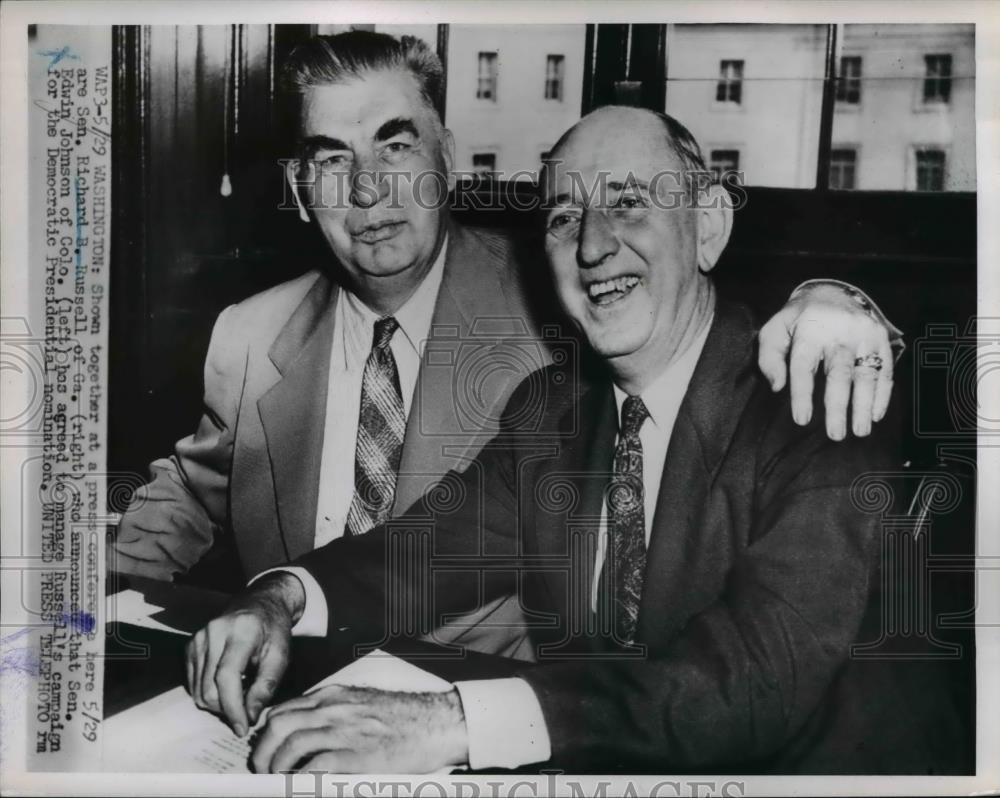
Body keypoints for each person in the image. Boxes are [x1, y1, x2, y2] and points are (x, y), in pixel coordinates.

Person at [186, 105, 967, 775]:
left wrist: (449, 723)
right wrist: (280, 598)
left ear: (709, 228)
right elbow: (423, 555)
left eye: (628, 203)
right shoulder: (556, 410)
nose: (592, 247)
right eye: (563, 216)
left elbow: (744, 688)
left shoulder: (816, 400)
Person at [115, 32, 901, 660]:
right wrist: (112, 606)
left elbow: (704, 325)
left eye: (395, 147)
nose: (366, 191)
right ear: (298, 183)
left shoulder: (556, 305)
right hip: (290, 674)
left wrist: (837, 300)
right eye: (331, 159)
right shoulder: (249, 333)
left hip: (503, 707)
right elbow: (198, 491)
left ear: (446, 156)